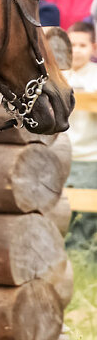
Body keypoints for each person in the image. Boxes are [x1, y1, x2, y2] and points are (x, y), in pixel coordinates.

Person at [65, 21, 97, 253]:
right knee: (63, 212)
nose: (76, 50)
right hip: (63, 156)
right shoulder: (58, 76)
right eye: (72, 44)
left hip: (90, 157)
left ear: (93, 48)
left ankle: (83, 260)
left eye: (82, 45)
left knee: (86, 218)